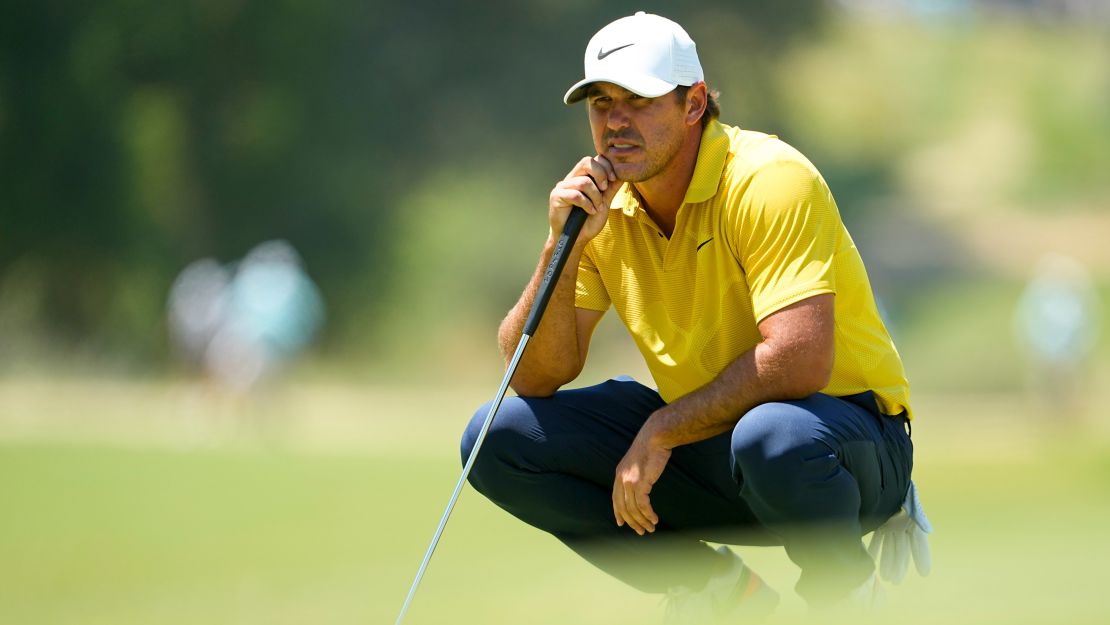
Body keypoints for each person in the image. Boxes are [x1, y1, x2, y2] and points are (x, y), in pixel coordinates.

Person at [461, 11, 928, 622]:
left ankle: (845, 598)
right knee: (495, 438)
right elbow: (534, 376)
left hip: (847, 446)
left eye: (639, 100)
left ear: (693, 103)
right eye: (601, 103)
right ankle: (720, 591)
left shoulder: (768, 178)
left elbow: (799, 360)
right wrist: (563, 246)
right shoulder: (602, 209)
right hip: (716, 447)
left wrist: (660, 431)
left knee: (775, 436)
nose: (615, 121)